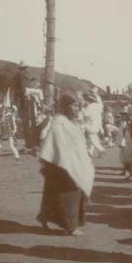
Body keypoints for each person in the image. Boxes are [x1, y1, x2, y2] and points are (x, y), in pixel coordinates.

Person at [37, 93, 95, 236]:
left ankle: (45, 218)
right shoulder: (59, 122)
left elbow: (77, 145)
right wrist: (67, 162)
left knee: (54, 194)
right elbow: (58, 145)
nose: (77, 109)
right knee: (69, 195)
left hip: (68, 164)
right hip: (61, 166)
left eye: (78, 106)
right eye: (74, 105)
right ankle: (70, 226)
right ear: (65, 107)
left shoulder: (72, 123)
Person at [83, 91, 105, 157]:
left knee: (92, 137)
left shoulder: (89, 106)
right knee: (94, 137)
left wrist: (82, 108)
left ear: (88, 100)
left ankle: (101, 149)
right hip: (97, 124)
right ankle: (90, 151)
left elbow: (85, 114)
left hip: (90, 124)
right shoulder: (98, 106)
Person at [116, 107, 132, 180]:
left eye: (124, 114)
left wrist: (122, 142)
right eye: (122, 114)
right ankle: (125, 171)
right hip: (123, 141)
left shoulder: (127, 123)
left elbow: (124, 133)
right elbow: (120, 133)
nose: (123, 116)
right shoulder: (122, 122)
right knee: (123, 158)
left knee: (127, 158)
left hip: (126, 142)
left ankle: (130, 173)